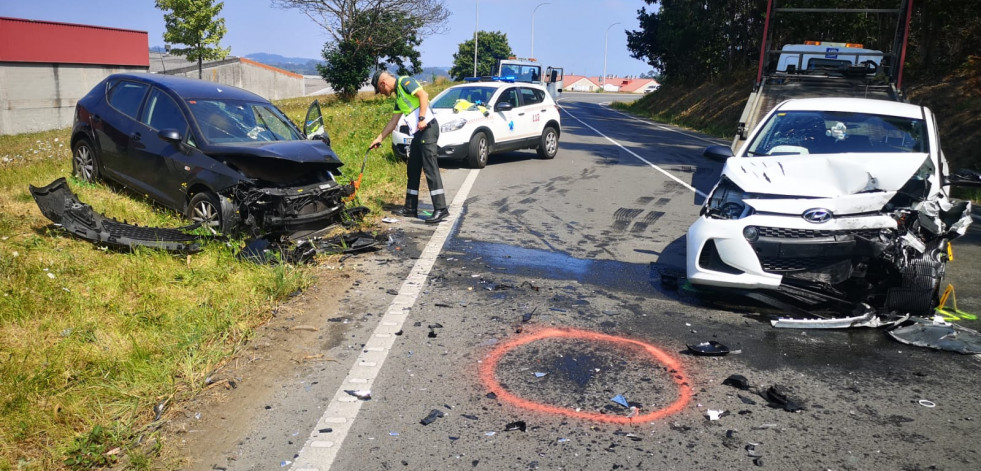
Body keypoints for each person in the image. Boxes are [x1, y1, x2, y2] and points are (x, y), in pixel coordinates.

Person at [369, 70, 449, 224]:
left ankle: (441, 209)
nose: (383, 94)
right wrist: (378, 138)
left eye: (381, 90)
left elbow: (423, 95)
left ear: (383, 83)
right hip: (419, 133)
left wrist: (422, 118)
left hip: (428, 128)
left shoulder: (404, 82)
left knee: (430, 168)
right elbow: (393, 123)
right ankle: (410, 208)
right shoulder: (399, 97)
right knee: (413, 168)